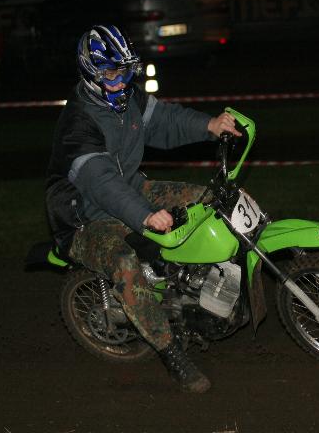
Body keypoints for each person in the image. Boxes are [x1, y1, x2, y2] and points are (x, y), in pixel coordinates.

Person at [45, 24, 241, 393]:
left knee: (208, 199)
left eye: (125, 70)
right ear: (90, 73)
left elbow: (166, 120)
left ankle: (200, 285)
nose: (121, 80)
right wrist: (145, 215)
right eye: (111, 74)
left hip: (130, 189)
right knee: (125, 264)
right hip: (85, 218)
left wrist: (210, 125)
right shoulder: (78, 126)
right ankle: (171, 353)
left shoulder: (129, 97)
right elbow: (103, 184)